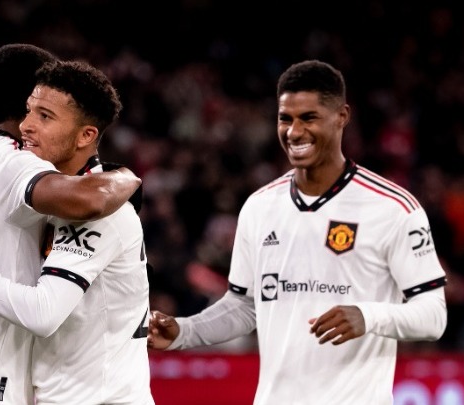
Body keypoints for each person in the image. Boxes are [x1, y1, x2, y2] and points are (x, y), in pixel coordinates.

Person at [147, 60, 448, 404]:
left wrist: (369, 316)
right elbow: (245, 306)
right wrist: (185, 331)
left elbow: (433, 315)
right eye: (285, 118)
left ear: (342, 116)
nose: (294, 132)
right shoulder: (259, 207)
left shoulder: (393, 208)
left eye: (309, 118)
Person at [0, 45, 142, 405]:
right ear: (27, 99)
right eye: (35, 109)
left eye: (45, 114)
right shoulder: (15, 163)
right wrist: (126, 176)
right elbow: (92, 199)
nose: (31, 124)